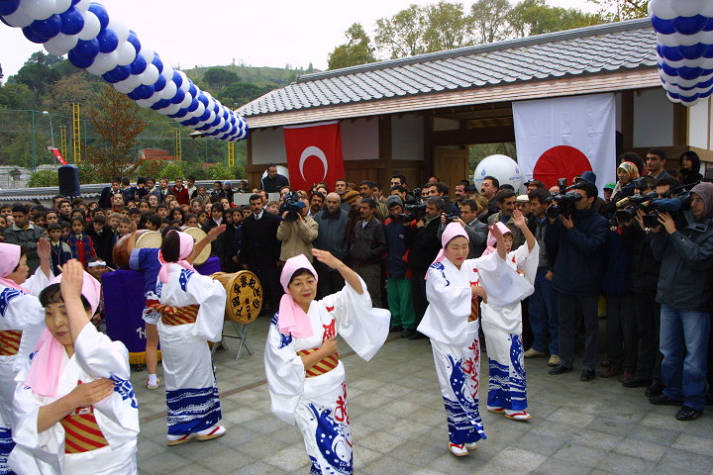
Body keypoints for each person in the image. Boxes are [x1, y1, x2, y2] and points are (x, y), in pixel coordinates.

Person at [264, 250, 389, 474]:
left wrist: (338, 265)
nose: (306, 288)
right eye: (298, 283)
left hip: (335, 389)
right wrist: (322, 352)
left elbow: (357, 292)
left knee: (342, 442)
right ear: (288, 288)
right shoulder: (282, 322)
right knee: (322, 447)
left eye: (310, 281)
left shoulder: (326, 307)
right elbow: (281, 365)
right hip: (308, 395)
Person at [10, 260, 139, 474]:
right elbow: (26, 424)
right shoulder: (35, 364)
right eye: (49, 313)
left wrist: (72, 297)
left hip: (113, 463)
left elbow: (92, 354)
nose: (57, 322)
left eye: (65, 311)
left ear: (88, 312)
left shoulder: (110, 352)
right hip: (65, 465)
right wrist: (73, 400)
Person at [418, 222, 527, 456]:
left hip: (470, 333)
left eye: (465, 246)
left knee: (471, 384)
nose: (460, 252)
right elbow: (444, 296)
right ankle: (455, 438)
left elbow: (495, 263)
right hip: (446, 338)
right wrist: (473, 291)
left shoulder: (470, 265)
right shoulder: (437, 270)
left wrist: (498, 243)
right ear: (445, 248)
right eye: (455, 247)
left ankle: (468, 432)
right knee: (453, 385)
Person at [144, 231, 227, 444]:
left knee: (176, 379)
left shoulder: (163, 272)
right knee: (198, 375)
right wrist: (216, 283)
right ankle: (204, 426)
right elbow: (213, 293)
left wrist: (207, 239)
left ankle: (178, 429)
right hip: (187, 333)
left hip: (169, 333)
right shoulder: (185, 275)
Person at [648, 182, 713, 420]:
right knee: (668, 351)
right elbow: (657, 254)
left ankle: (693, 401)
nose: (694, 205)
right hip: (669, 296)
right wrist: (657, 232)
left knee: (694, 356)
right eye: (692, 199)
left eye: (700, 200)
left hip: (694, 302)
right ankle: (672, 391)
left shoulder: (708, 229)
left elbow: (698, 258)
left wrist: (674, 233)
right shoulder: (679, 222)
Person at [546, 182, 609, 381]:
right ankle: (565, 360)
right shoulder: (566, 217)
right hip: (564, 278)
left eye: (579, 197)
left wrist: (571, 229)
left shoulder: (599, 222)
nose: (576, 201)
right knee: (565, 323)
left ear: (591, 199)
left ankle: (589, 365)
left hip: (587, 281)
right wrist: (553, 221)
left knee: (591, 326)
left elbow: (591, 246)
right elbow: (551, 242)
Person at [479, 212, 538, 422]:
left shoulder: (514, 257)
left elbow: (531, 248)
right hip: (495, 317)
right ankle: (513, 406)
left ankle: (496, 401)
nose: (507, 242)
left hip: (512, 316)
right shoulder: (486, 260)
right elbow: (500, 260)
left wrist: (523, 227)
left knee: (506, 358)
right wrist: (500, 245)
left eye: (509, 238)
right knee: (507, 360)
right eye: (502, 238)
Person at [0, 241, 53, 473]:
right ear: (7, 269)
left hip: (5, 364)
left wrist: (43, 260)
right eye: (21, 265)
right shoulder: (11, 297)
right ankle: (23, 464)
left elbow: (34, 285)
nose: (26, 269)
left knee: (6, 415)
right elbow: (42, 312)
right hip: (13, 365)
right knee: (23, 416)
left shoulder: (9, 290)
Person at [524, 189, 559, 366]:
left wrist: (553, 268)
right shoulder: (532, 222)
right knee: (535, 310)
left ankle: (556, 350)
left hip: (549, 270)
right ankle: (538, 345)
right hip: (534, 269)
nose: (532, 207)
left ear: (546, 204)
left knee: (553, 311)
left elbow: (559, 248)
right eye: (530, 204)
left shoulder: (555, 222)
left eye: (535, 204)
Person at [241, 194, 282, 316]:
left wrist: (279, 257)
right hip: (254, 260)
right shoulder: (247, 222)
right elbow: (245, 242)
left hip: (271, 259)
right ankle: (260, 309)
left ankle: (276, 310)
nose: (256, 207)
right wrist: (244, 260)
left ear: (263, 204)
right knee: (258, 286)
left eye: (258, 204)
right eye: (253, 204)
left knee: (273, 285)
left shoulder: (273, 219)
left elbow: (278, 240)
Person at [383, 196, 417, 338]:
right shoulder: (387, 223)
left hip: (405, 265)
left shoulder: (410, 222)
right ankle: (396, 321)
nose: (396, 212)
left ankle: (408, 324)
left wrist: (408, 259)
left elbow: (413, 243)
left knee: (406, 298)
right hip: (391, 264)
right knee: (393, 297)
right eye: (392, 209)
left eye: (398, 208)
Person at [348, 198, 386, 307]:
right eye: (361, 208)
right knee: (358, 295)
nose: (361, 210)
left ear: (372, 210)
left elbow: (383, 246)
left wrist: (368, 254)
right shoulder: (358, 224)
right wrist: (353, 252)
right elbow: (353, 241)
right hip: (357, 265)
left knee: (372, 296)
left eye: (365, 208)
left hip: (371, 266)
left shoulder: (378, 225)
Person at [313, 193, 349, 298]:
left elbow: (349, 239)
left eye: (334, 202)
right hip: (322, 264)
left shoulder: (346, 217)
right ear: (325, 202)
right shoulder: (318, 217)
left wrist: (343, 255)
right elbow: (314, 238)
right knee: (325, 295)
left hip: (339, 263)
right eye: (329, 202)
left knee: (339, 294)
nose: (331, 205)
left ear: (339, 203)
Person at [4, 204, 46, 274]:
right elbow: (15, 249)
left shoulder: (38, 230)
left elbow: (43, 248)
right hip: (18, 270)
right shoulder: (8, 232)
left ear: (27, 216)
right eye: (15, 217)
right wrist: (35, 245)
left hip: (37, 267)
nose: (17, 219)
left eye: (20, 216)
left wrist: (24, 246)